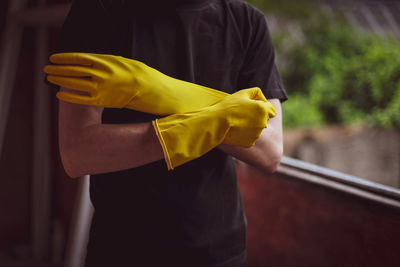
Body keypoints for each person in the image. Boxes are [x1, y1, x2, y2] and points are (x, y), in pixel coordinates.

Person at [47, 0, 287, 266]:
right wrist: (218, 118)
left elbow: (270, 152)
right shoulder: (99, 11)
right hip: (124, 248)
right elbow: (78, 153)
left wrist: (158, 91)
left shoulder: (247, 22)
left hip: (219, 251)